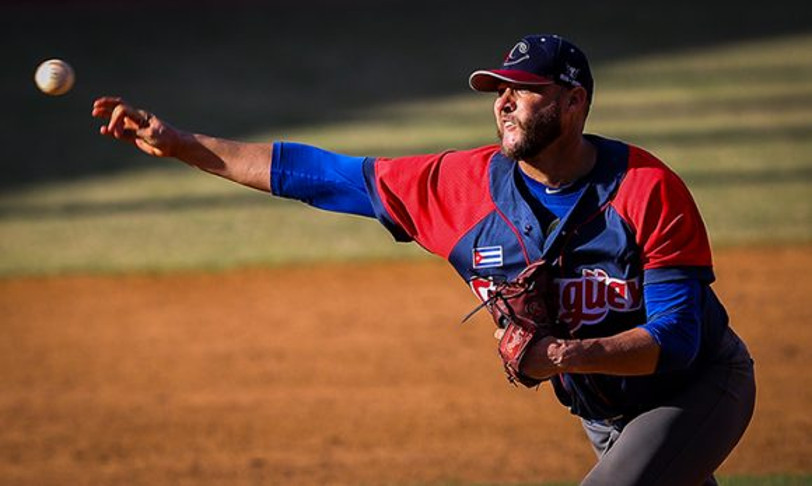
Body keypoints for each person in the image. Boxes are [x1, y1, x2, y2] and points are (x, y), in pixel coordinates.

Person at [92, 34, 756, 485]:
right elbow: (316, 174)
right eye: (498, 88)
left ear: (573, 102)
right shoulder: (458, 187)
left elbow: (674, 341)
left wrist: (557, 355)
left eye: (522, 89)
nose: (502, 100)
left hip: (696, 389)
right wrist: (180, 145)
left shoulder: (646, 187)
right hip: (600, 413)